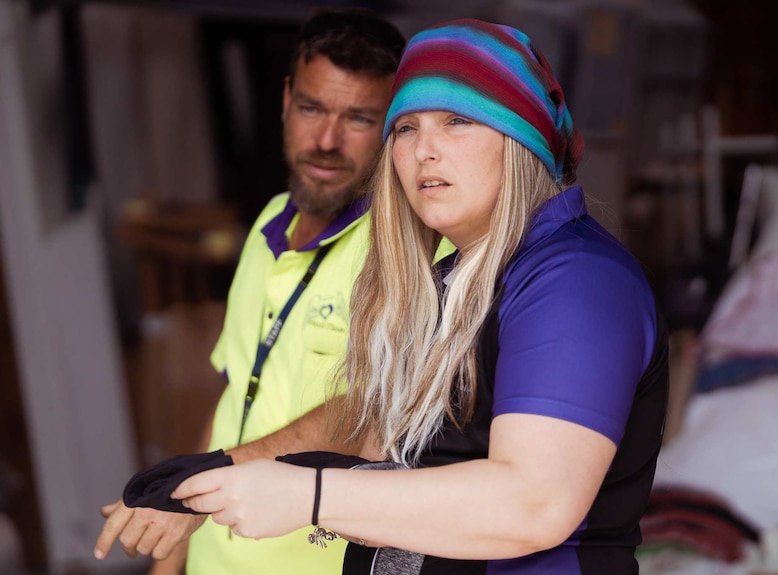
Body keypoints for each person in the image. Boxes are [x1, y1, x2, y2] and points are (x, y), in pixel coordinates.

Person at [172, 18, 669, 574]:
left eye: (457, 120)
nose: (425, 150)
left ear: (519, 136)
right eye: (406, 127)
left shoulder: (576, 280)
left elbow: (534, 504)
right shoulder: (459, 278)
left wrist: (308, 495)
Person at [93, 8, 405, 575]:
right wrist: (173, 558)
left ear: (391, 126)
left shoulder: (401, 250)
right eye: (312, 108)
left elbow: (369, 415)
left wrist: (194, 486)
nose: (327, 140)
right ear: (286, 100)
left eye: (359, 118)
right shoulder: (269, 223)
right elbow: (236, 394)